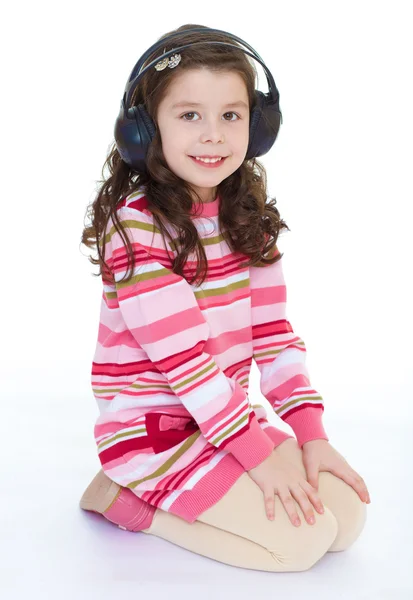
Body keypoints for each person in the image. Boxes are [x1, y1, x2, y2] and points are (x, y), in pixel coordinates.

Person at [79, 24, 370, 572]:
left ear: (256, 128)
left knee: (345, 519)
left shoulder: (246, 219)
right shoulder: (137, 228)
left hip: (224, 418)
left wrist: (310, 437)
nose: (213, 134)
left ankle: (231, 470)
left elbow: (273, 337)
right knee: (300, 546)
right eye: (190, 115)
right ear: (144, 129)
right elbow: (185, 364)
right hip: (155, 433)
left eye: (231, 115)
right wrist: (260, 459)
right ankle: (124, 499)